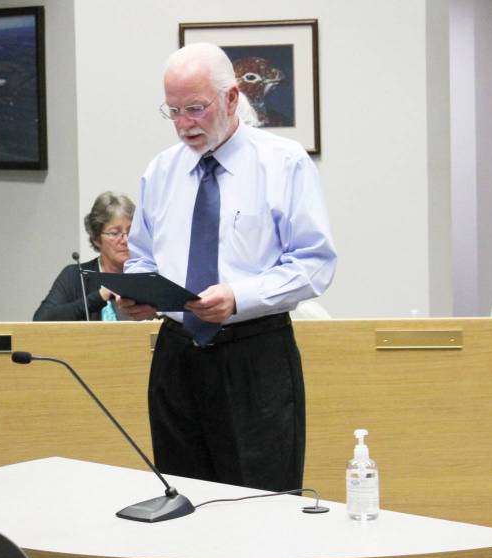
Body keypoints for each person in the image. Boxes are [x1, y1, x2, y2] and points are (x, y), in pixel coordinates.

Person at [120, 43, 336, 492]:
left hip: (254, 356)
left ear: (233, 98)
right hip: (176, 357)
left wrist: (240, 297)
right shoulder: (161, 172)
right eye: (173, 111)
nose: (183, 125)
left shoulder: (283, 163)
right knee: (183, 500)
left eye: (195, 109)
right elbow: (142, 256)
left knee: (261, 505)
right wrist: (137, 293)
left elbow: (314, 264)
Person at [33, 191, 135, 321]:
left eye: (131, 231)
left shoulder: (146, 275)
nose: (125, 239)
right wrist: (99, 297)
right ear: (96, 239)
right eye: (115, 233)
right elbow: (42, 319)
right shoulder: (75, 276)